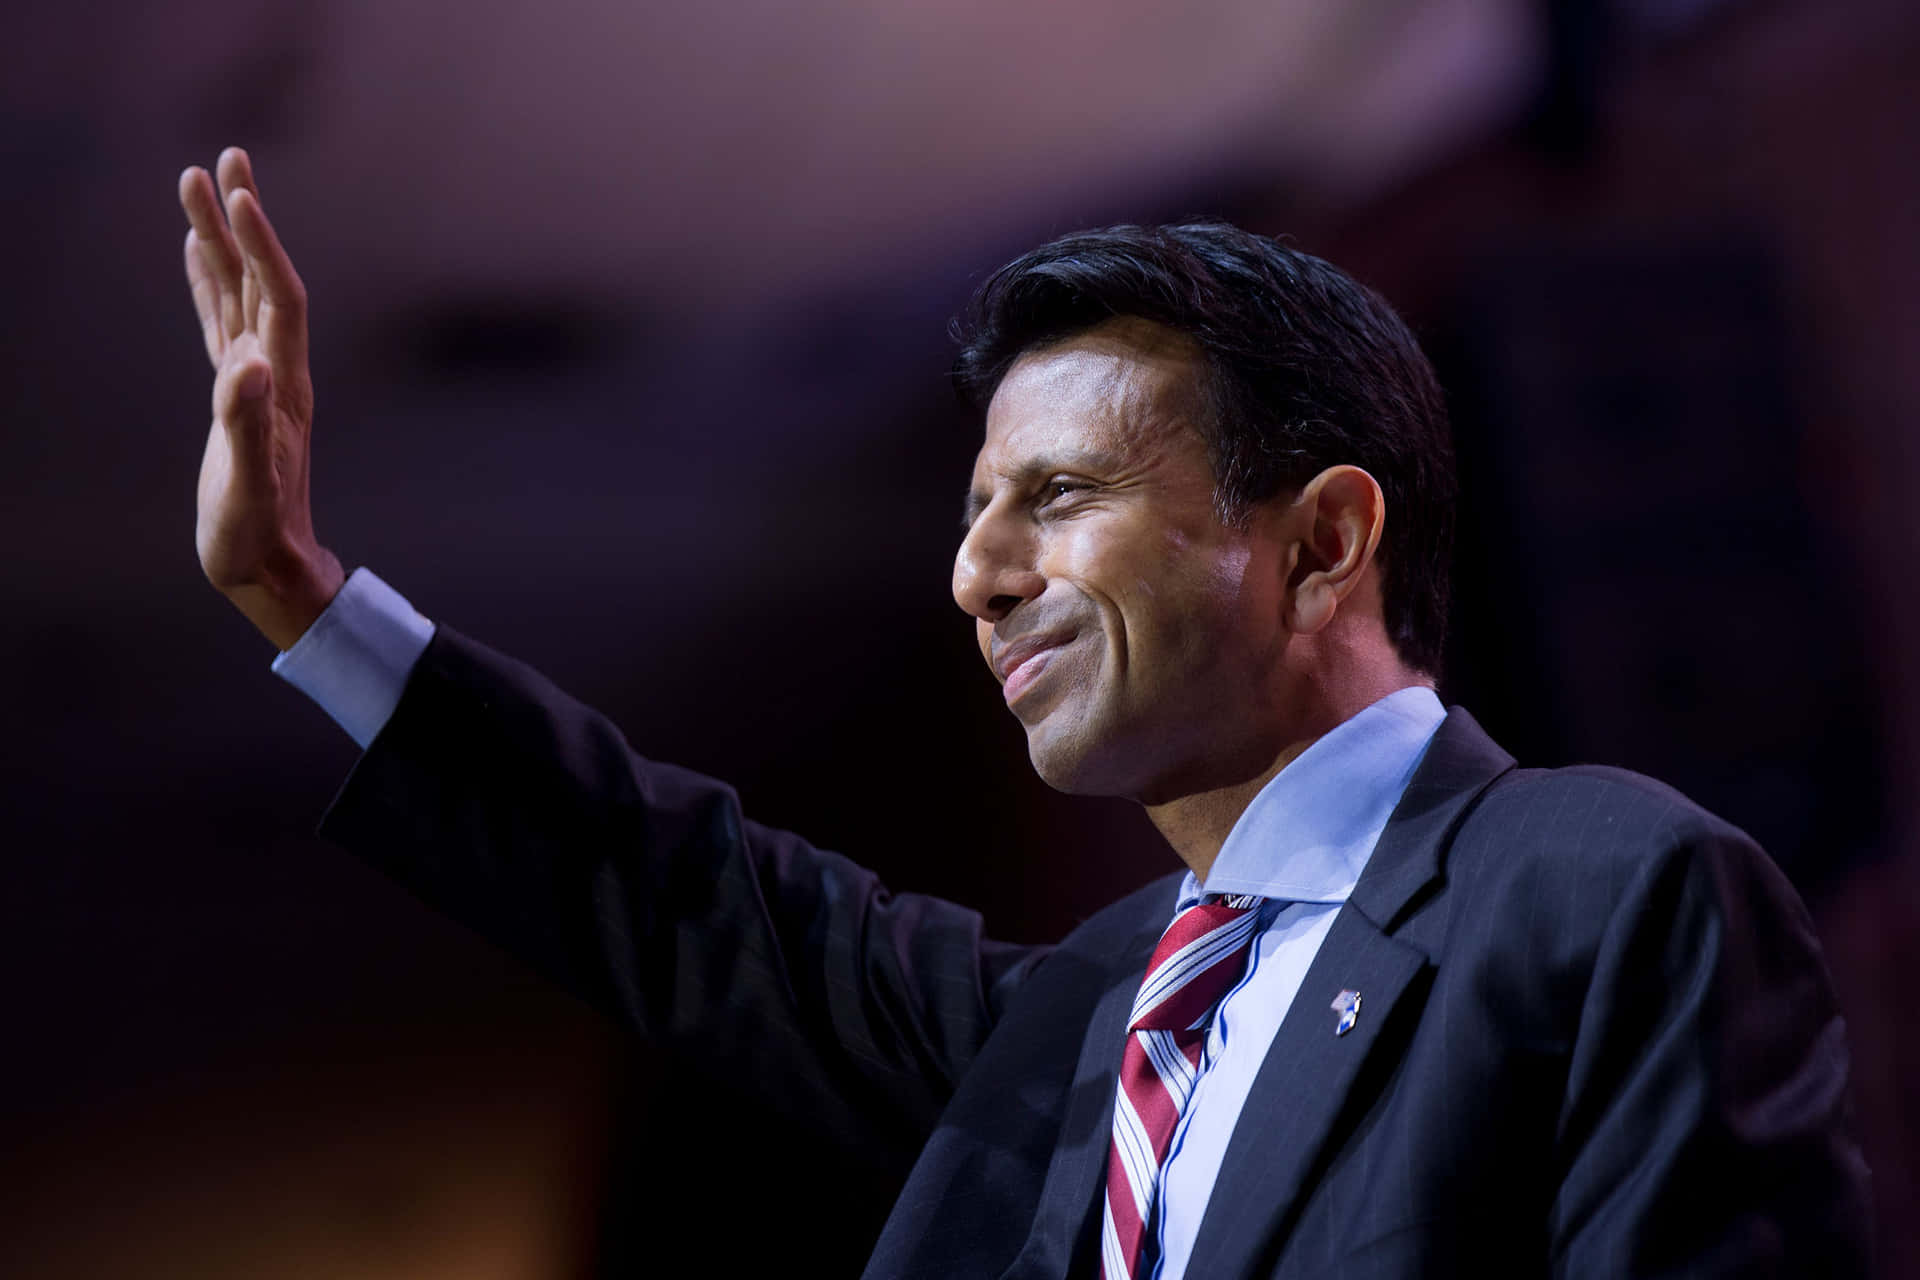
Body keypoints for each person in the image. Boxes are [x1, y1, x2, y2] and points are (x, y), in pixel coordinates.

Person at [179, 146, 1870, 1278]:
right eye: (979, 512)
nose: (977, 577)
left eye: (1054, 496)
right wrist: (306, 604)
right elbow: (688, 896)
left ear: (1324, 542)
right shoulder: (1083, 1016)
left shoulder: (1599, 889)